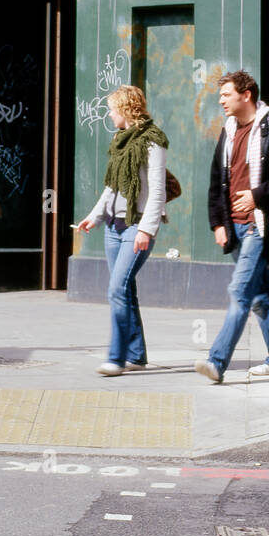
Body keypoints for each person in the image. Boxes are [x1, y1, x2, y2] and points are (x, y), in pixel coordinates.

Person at [195, 70, 269, 384]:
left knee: (240, 292)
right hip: (235, 227)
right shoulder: (228, 131)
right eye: (220, 96)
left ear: (247, 94)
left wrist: (257, 196)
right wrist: (218, 222)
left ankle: (216, 361)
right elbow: (217, 182)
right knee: (259, 296)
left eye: (226, 94)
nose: (221, 101)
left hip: (260, 226)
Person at [77, 85, 168, 376]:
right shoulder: (119, 141)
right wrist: (94, 217)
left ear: (126, 109)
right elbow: (112, 186)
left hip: (135, 227)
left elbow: (157, 190)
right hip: (113, 228)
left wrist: (146, 229)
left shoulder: (153, 141)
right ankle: (137, 354)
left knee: (116, 289)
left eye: (112, 109)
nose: (109, 114)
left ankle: (115, 358)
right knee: (125, 290)